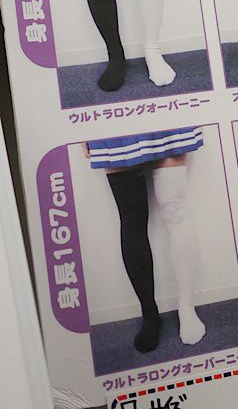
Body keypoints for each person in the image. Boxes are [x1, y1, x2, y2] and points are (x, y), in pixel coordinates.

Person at [82, 127, 206, 353]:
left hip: (164, 117)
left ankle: (186, 307)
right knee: (132, 220)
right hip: (111, 122)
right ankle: (149, 314)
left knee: (176, 212)